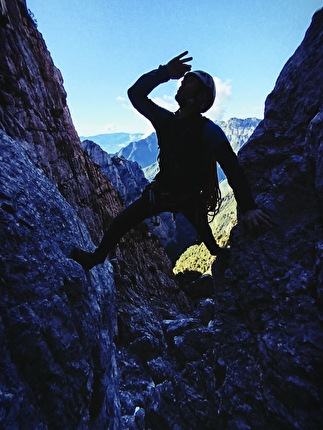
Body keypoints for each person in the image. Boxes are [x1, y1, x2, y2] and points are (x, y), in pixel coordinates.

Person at [71, 51, 272, 270]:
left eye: (189, 83)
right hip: (178, 196)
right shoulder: (172, 122)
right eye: (183, 81)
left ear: (200, 98)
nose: (182, 84)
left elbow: (232, 169)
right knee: (122, 223)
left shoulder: (206, 130)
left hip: (175, 196)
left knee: (205, 239)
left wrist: (249, 207)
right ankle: (96, 258)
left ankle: (217, 254)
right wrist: (165, 72)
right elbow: (135, 94)